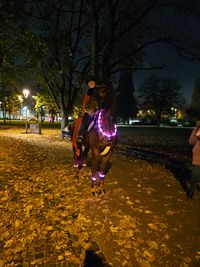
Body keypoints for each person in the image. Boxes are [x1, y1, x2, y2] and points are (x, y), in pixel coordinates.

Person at [76, 76, 97, 144]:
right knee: (84, 121)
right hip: (89, 112)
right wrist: (89, 111)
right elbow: (85, 104)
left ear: (95, 83)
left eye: (92, 82)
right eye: (89, 83)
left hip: (99, 111)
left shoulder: (98, 91)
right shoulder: (88, 93)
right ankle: (80, 136)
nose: (91, 83)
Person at [188, 113, 200, 198]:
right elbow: (191, 142)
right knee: (195, 175)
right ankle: (191, 191)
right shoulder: (197, 129)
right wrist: (197, 136)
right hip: (198, 155)